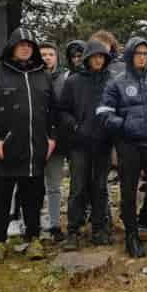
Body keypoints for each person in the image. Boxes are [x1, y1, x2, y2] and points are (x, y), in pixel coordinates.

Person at [0, 28, 56, 262]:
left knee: (33, 196)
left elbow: (54, 110)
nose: (25, 48)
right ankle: (0, 240)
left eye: (30, 45)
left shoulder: (43, 75)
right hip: (4, 149)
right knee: (1, 197)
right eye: (21, 44)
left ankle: (33, 239)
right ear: (11, 47)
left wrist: (52, 137)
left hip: (35, 149)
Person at [98, 37, 147, 258]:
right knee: (128, 191)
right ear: (129, 56)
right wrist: (124, 125)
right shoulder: (115, 82)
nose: (142, 57)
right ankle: (131, 234)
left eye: (146, 54)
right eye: (138, 53)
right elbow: (103, 113)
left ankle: (145, 216)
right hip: (128, 144)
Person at [59, 40, 114, 250]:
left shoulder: (112, 81)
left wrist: (112, 127)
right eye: (95, 56)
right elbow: (62, 110)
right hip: (79, 144)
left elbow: (117, 108)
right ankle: (73, 231)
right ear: (88, 58)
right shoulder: (73, 81)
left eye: (102, 57)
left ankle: (99, 229)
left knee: (100, 188)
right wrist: (74, 126)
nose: (98, 60)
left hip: (103, 143)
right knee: (78, 187)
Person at [39, 40, 66, 241]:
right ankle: (31, 222)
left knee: (55, 186)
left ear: (56, 57)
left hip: (57, 141)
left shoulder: (65, 79)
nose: (47, 57)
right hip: (34, 141)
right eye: (43, 54)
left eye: (50, 54)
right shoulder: (31, 78)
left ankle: (55, 223)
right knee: (32, 185)